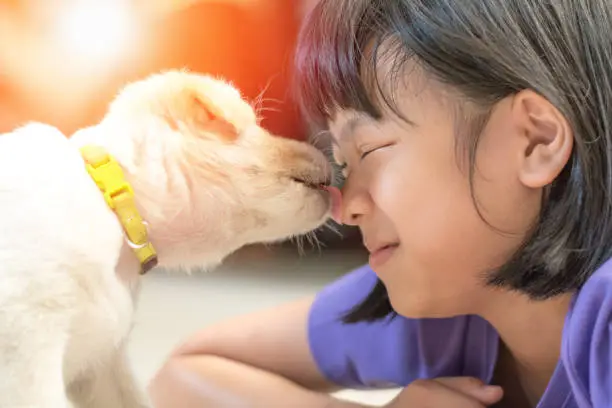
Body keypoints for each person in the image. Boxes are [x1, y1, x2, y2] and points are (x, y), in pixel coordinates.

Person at [148, 1, 612, 407]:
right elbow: (186, 373)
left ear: (534, 141)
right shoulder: (442, 308)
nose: (343, 207)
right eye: (344, 166)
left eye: (368, 150)